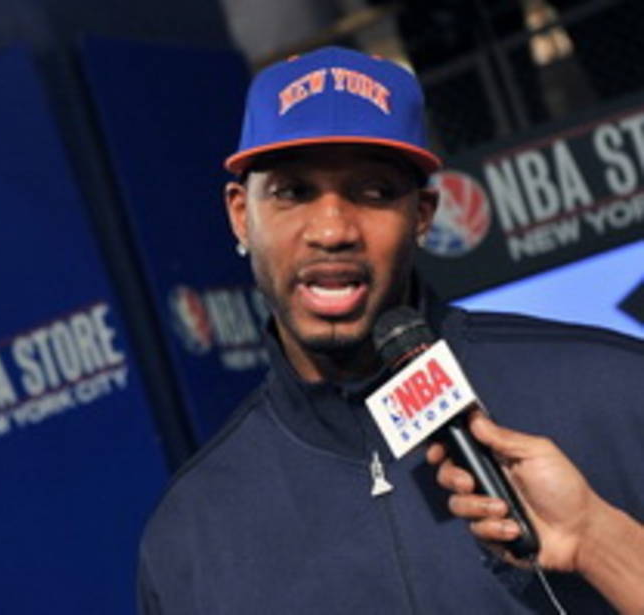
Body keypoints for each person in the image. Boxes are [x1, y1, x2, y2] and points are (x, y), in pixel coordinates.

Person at [138, 46, 644, 614]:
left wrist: (601, 543)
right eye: (292, 192)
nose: (332, 230)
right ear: (240, 215)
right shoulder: (191, 538)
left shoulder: (615, 393)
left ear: (422, 215)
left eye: (373, 192)